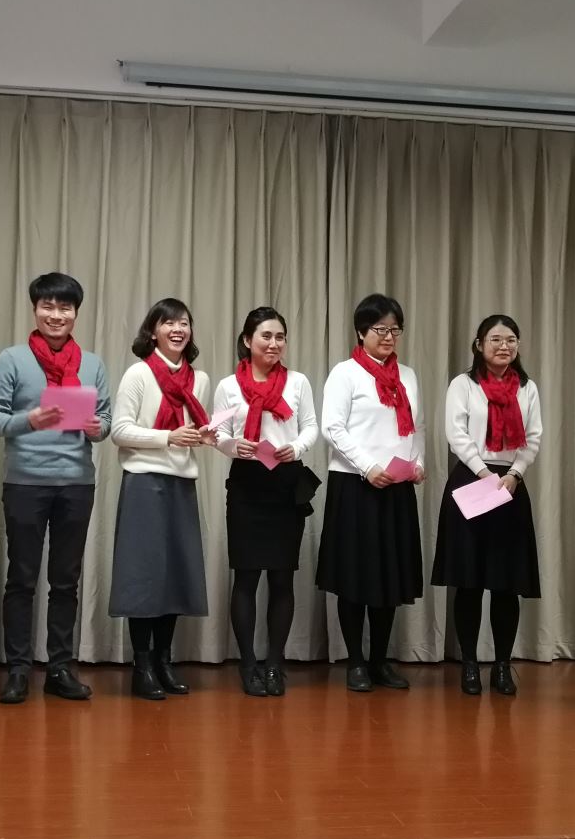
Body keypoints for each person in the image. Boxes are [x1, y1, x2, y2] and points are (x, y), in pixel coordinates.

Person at [0, 273, 111, 704]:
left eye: (64, 308)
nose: (56, 315)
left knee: (66, 581)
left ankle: (60, 668)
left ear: (76, 313)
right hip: (25, 483)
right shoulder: (12, 359)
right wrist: (30, 420)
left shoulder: (92, 364)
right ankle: (18, 669)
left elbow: (106, 422)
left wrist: (96, 428)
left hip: (76, 483)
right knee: (21, 578)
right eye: (48, 307)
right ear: (35, 309)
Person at [318, 293, 425, 692]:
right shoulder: (345, 373)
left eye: (395, 329)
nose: (389, 336)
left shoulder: (407, 375)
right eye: (380, 329)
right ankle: (356, 662)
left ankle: (380, 660)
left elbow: (416, 426)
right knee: (355, 576)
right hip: (355, 485)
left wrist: (417, 462)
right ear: (361, 332)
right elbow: (332, 427)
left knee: (389, 578)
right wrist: (368, 467)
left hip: (396, 485)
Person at [211, 307, 321, 696]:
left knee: (281, 577)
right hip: (247, 483)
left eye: (280, 337)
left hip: (286, 483)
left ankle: (275, 664)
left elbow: (311, 426)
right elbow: (216, 432)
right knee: (246, 577)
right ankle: (247, 664)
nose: (274, 344)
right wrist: (233, 445)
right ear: (247, 340)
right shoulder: (229, 386)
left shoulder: (297, 382)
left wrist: (297, 447)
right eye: (266, 336)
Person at [432, 314, 542, 696]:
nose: (503, 346)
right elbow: (456, 434)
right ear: (479, 345)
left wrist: (514, 474)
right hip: (472, 480)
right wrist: (484, 473)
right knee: (470, 581)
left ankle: (502, 665)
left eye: (510, 339)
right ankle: (468, 664)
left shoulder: (527, 387)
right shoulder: (463, 384)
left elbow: (533, 437)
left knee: (505, 583)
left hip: (510, 484)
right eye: (495, 339)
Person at [109, 298, 213, 700]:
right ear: (153, 331)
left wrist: (204, 436)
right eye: (168, 322)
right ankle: (142, 666)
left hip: (181, 483)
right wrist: (168, 437)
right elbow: (120, 431)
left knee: (174, 574)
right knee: (143, 576)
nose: (177, 329)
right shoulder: (138, 374)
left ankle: (164, 661)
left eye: (184, 322)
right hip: (143, 482)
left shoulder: (199, 379)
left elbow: (195, 430)